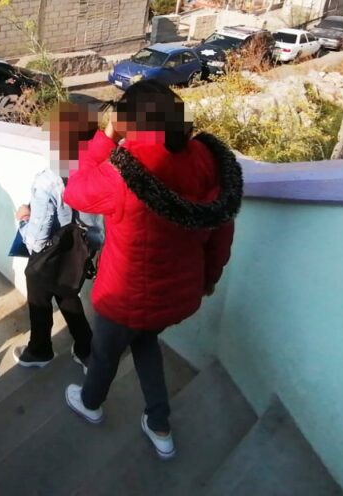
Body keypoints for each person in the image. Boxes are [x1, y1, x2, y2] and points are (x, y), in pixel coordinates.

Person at [62, 81, 243, 460]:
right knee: (145, 343)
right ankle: (159, 424)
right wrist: (209, 279)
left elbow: (74, 192)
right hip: (175, 297)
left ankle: (90, 403)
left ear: (130, 121)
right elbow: (221, 230)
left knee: (104, 353)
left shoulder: (125, 170)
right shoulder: (205, 159)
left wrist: (106, 137)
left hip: (125, 298)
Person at [13, 102, 102, 371]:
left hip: (52, 252)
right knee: (64, 290)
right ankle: (86, 349)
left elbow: (37, 241)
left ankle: (41, 349)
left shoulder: (49, 180)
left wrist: (23, 218)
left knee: (37, 281)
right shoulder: (100, 168)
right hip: (81, 250)